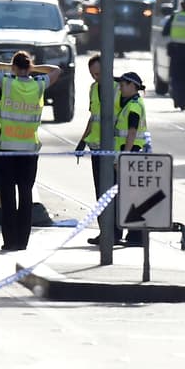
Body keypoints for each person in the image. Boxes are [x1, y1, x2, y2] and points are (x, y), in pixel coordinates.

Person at [0, 51, 62, 251]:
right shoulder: (38, 85)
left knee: (7, 195)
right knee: (26, 195)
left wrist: (8, 67)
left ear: (14, 67)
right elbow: (57, 70)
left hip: (6, 148)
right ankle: (22, 241)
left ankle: (10, 241)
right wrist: (33, 68)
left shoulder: (7, 83)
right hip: (28, 150)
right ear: (29, 67)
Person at [74, 54, 121, 245]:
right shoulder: (93, 88)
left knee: (114, 192)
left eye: (99, 73)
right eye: (93, 74)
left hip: (114, 148)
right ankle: (105, 232)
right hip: (96, 148)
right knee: (101, 192)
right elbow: (94, 117)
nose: (96, 77)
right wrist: (82, 141)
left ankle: (116, 232)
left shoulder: (120, 88)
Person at [114, 71, 150, 247]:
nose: (120, 87)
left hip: (131, 154)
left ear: (132, 86)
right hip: (133, 154)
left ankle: (136, 236)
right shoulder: (131, 103)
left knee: (132, 196)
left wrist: (124, 156)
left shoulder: (134, 106)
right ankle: (134, 235)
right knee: (132, 195)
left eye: (123, 85)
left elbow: (132, 132)